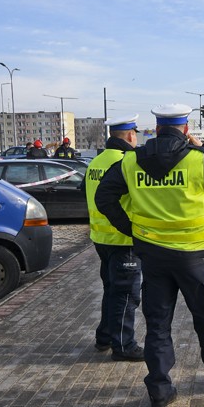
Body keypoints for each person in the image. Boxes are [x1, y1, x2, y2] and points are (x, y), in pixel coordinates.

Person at [95, 104, 204, 407]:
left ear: (157, 129)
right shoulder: (197, 158)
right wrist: (203, 148)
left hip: (153, 257)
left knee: (158, 325)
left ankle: (160, 393)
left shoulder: (130, 161)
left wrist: (130, 229)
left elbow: (103, 197)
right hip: (194, 257)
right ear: (185, 130)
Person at [84, 115, 144, 361]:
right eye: (135, 134)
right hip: (123, 240)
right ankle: (124, 346)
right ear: (130, 135)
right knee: (126, 295)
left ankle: (105, 337)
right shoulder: (127, 161)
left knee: (111, 290)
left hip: (100, 238)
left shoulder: (96, 161)